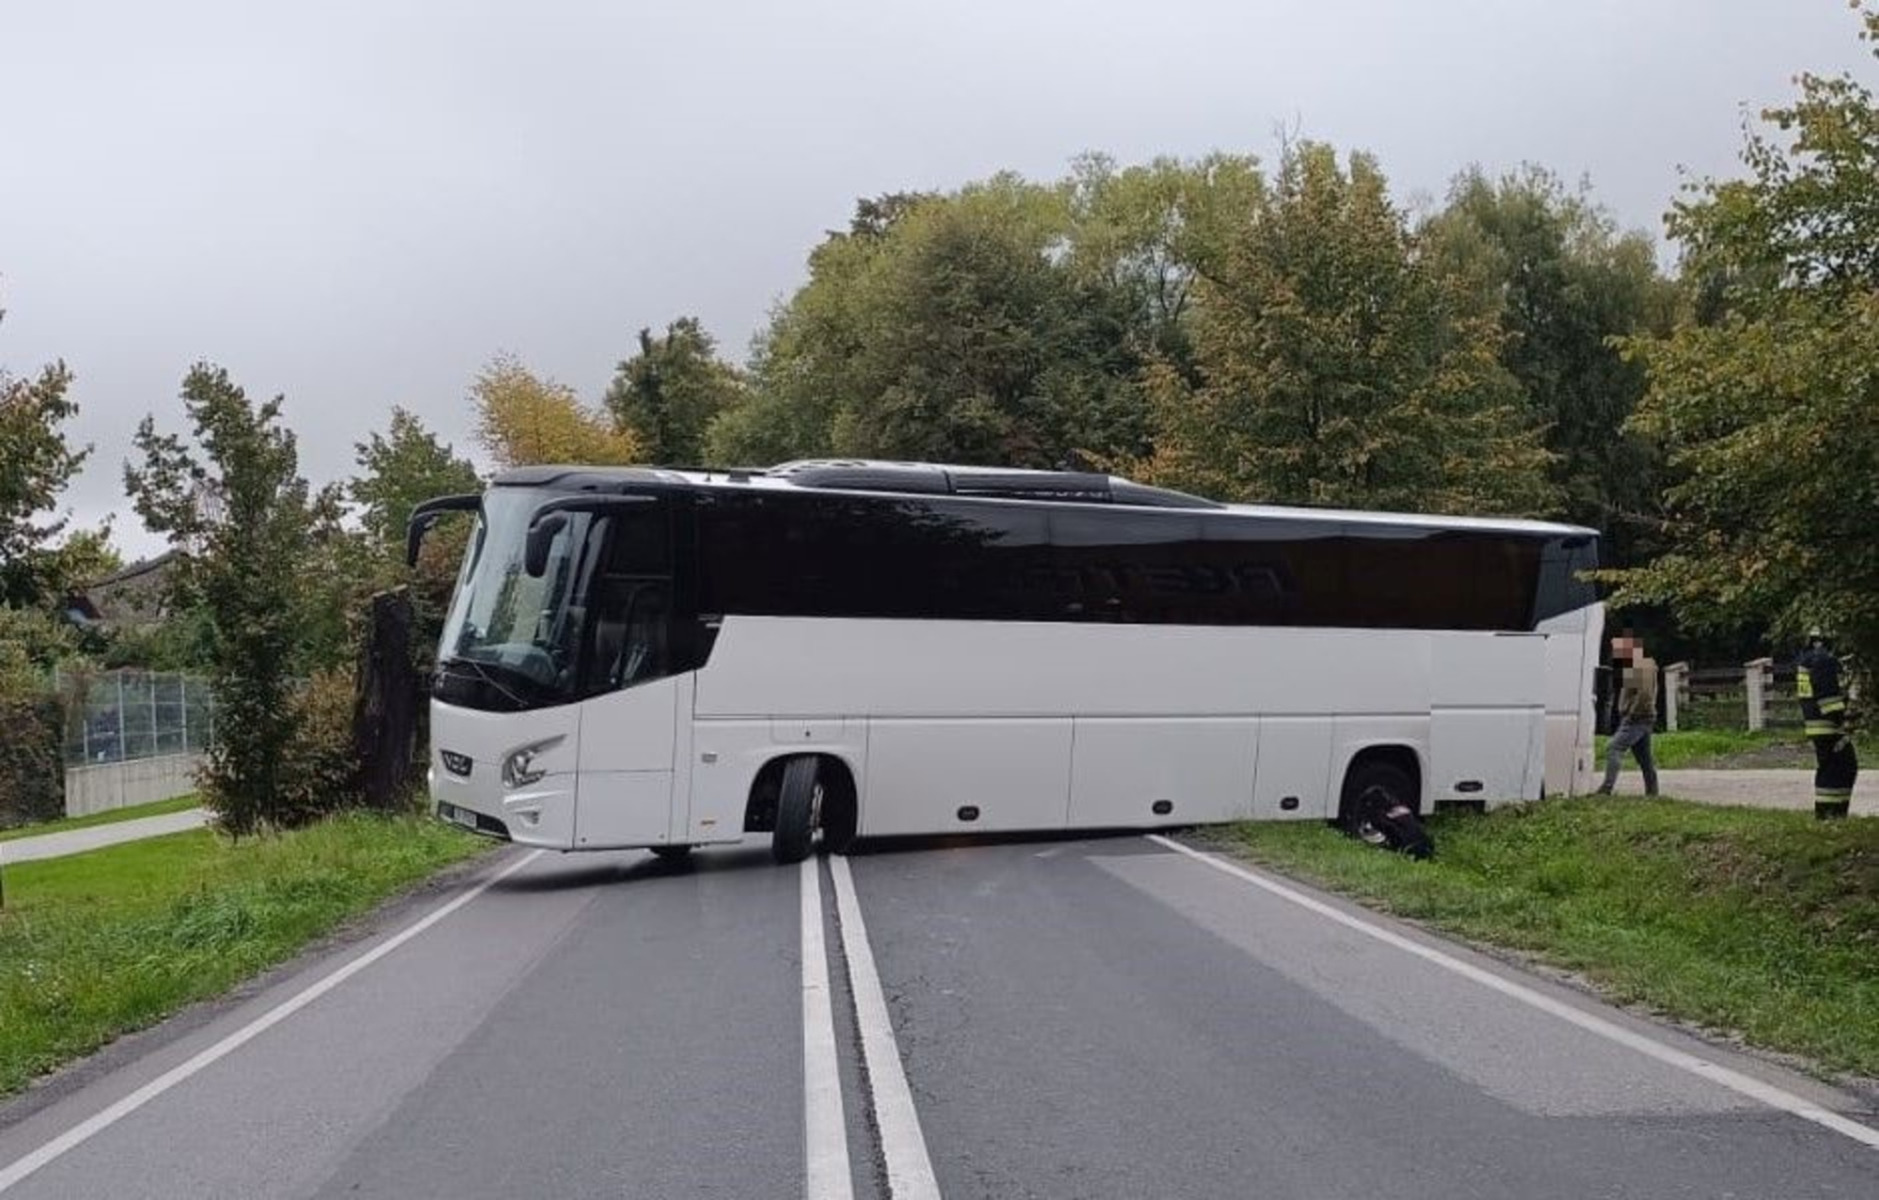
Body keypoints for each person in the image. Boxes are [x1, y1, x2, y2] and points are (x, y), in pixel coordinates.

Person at [1797, 629, 1858, 820]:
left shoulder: (1807, 659)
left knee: (1835, 767)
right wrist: (1844, 718)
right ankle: (1831, 815)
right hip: (1829, 726)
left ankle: (1830, 814)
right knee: (1841, 767)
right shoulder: (1823, 660)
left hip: (1818, 725)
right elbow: (1828, 697)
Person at [1596, 632, 1659, 796]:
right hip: (1643, 717)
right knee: (1644, 758)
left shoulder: (1641, 666)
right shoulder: (1638, 666)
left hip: (1637, 718)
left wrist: (1632, 713)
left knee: (1614, 747)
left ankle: (1606, 788)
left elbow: (1644, 694)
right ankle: (1653, 792)